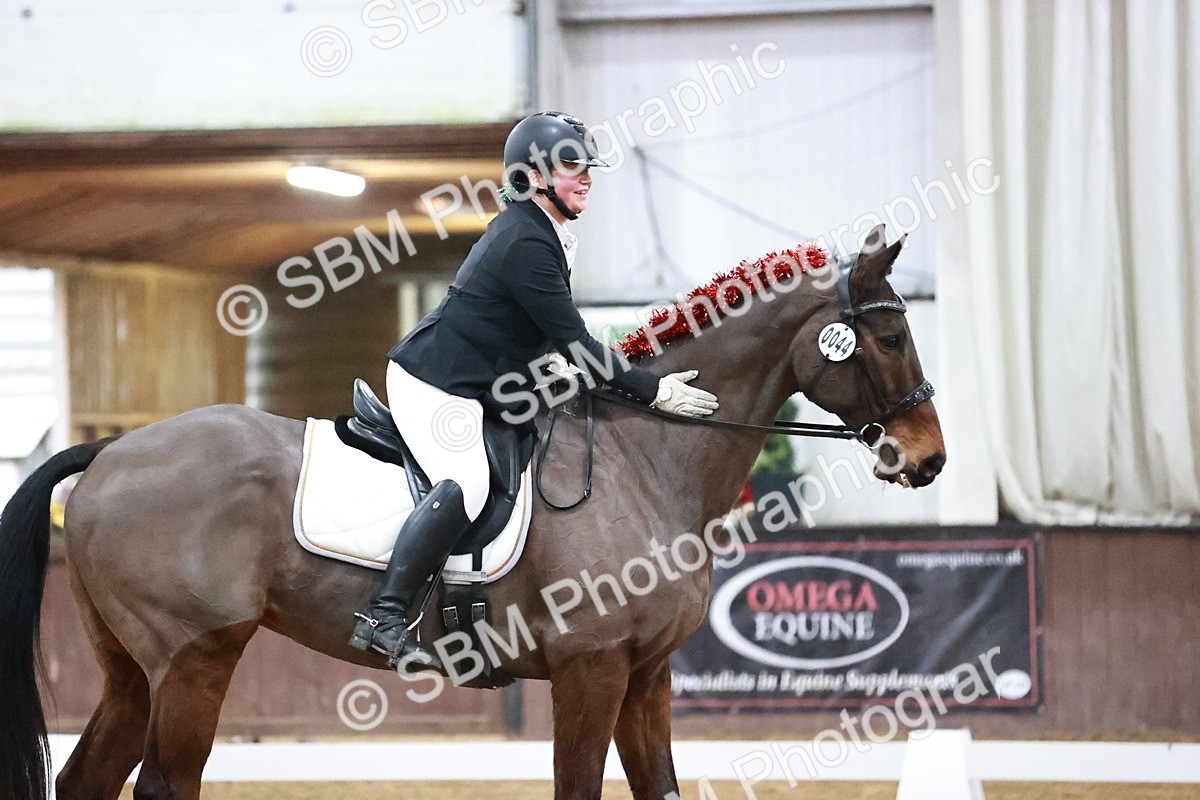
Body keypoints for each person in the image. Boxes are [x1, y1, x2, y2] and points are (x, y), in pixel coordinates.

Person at [348, 111, 720, 668]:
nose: (587, 176)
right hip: (437, 383)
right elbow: (576, 342)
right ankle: (385, 615)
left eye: (587, 165)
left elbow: (537, 335)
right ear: (534, 175)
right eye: (572, 165)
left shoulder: (549, 233)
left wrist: (557, 372)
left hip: (485, 381)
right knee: (467, 483)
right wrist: (653, 392)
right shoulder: (525, 239)